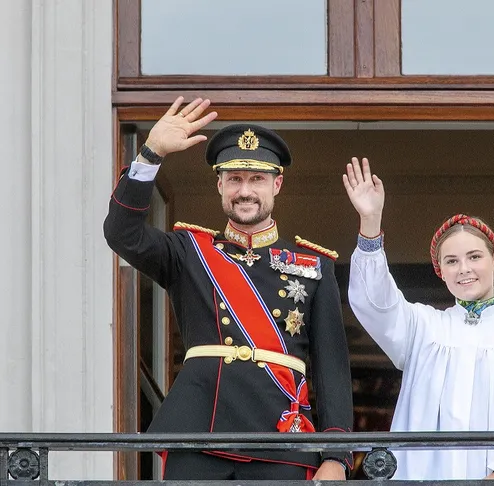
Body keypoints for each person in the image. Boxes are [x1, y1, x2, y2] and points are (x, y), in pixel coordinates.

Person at [104, 97, 353, 481]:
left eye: (257, 179)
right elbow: (122, 234)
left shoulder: (314, 266)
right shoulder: (189, 252)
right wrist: (151, 154)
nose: (245, 190)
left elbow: (331, 366)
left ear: (277, 184)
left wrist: (337, 454)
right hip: (200, 430)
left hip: (281, 436)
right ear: (220, 184)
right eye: (235, 179)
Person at [342, 157, 494, 480]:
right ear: (441, 272)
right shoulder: (424, 328)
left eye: (474, 257)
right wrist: (370, 221)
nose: (464, 269)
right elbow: (374, 302)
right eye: (451, 261)